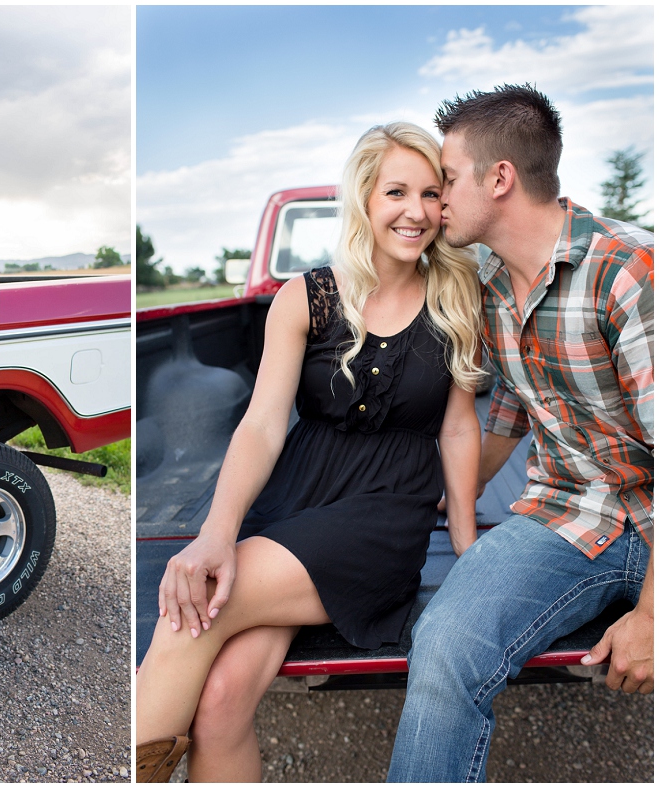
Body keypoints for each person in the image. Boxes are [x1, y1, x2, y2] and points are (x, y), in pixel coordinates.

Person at [136, 122, 486, 783]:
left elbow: (460, 427)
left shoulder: (456, 296)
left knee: (198, 607)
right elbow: (262, 426)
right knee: (220, 702)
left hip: (383, 515)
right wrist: (218, 530)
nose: (416, 211)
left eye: (431, 193)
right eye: (396, 191)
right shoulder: (307, 298)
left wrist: (467, 547)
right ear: (362, 199)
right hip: (294, 501)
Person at [387, 84, 653, 782]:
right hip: (570, 514)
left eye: (446, 180)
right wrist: (449, 496)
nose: (436, 202)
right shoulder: (491, 285)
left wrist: (652, 614)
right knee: (442, 645)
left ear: (499, 178)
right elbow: (511, 410)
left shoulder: (627, 274)